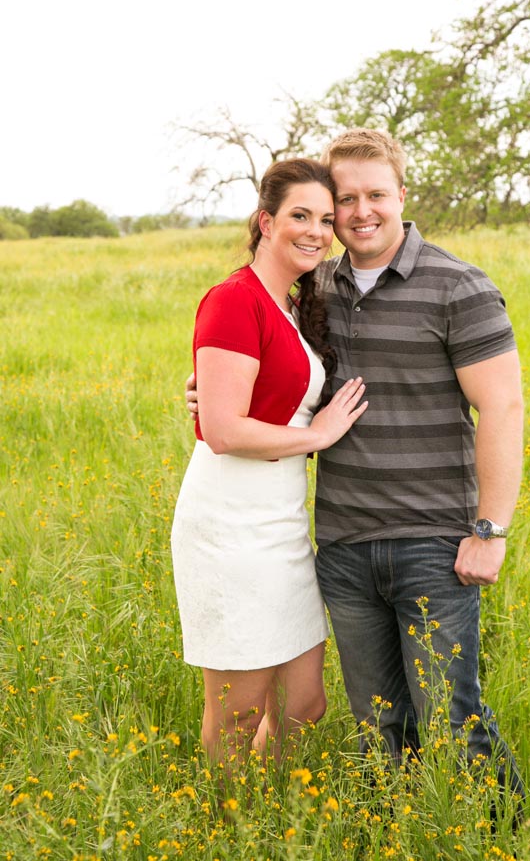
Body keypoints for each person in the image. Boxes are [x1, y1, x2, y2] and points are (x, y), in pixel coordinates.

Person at [186, 130, 524, 802]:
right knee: (377, 723)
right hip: (341, 545)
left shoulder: (458, 286)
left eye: (376, 194)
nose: (360, 211)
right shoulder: (315, 290)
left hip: (433, 541)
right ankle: (401, 831)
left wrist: (489, 530)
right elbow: (263, 371)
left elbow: (504, 407)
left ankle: (500, 837)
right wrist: (206, 396)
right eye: (345, 199)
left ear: (402, 194)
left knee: (451, 717)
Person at [171, 157, 368, 772]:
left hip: (279, 523)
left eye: (325, 220)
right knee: (237, 710)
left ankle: (273, 805)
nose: (315, 230)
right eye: (300, 216)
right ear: (265, 221)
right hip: (231, 524)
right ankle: (228, 821)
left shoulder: (288, 304)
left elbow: (250, 397)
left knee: (304, 704)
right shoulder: (234, 299)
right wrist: (321, 433)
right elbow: (224, 432)